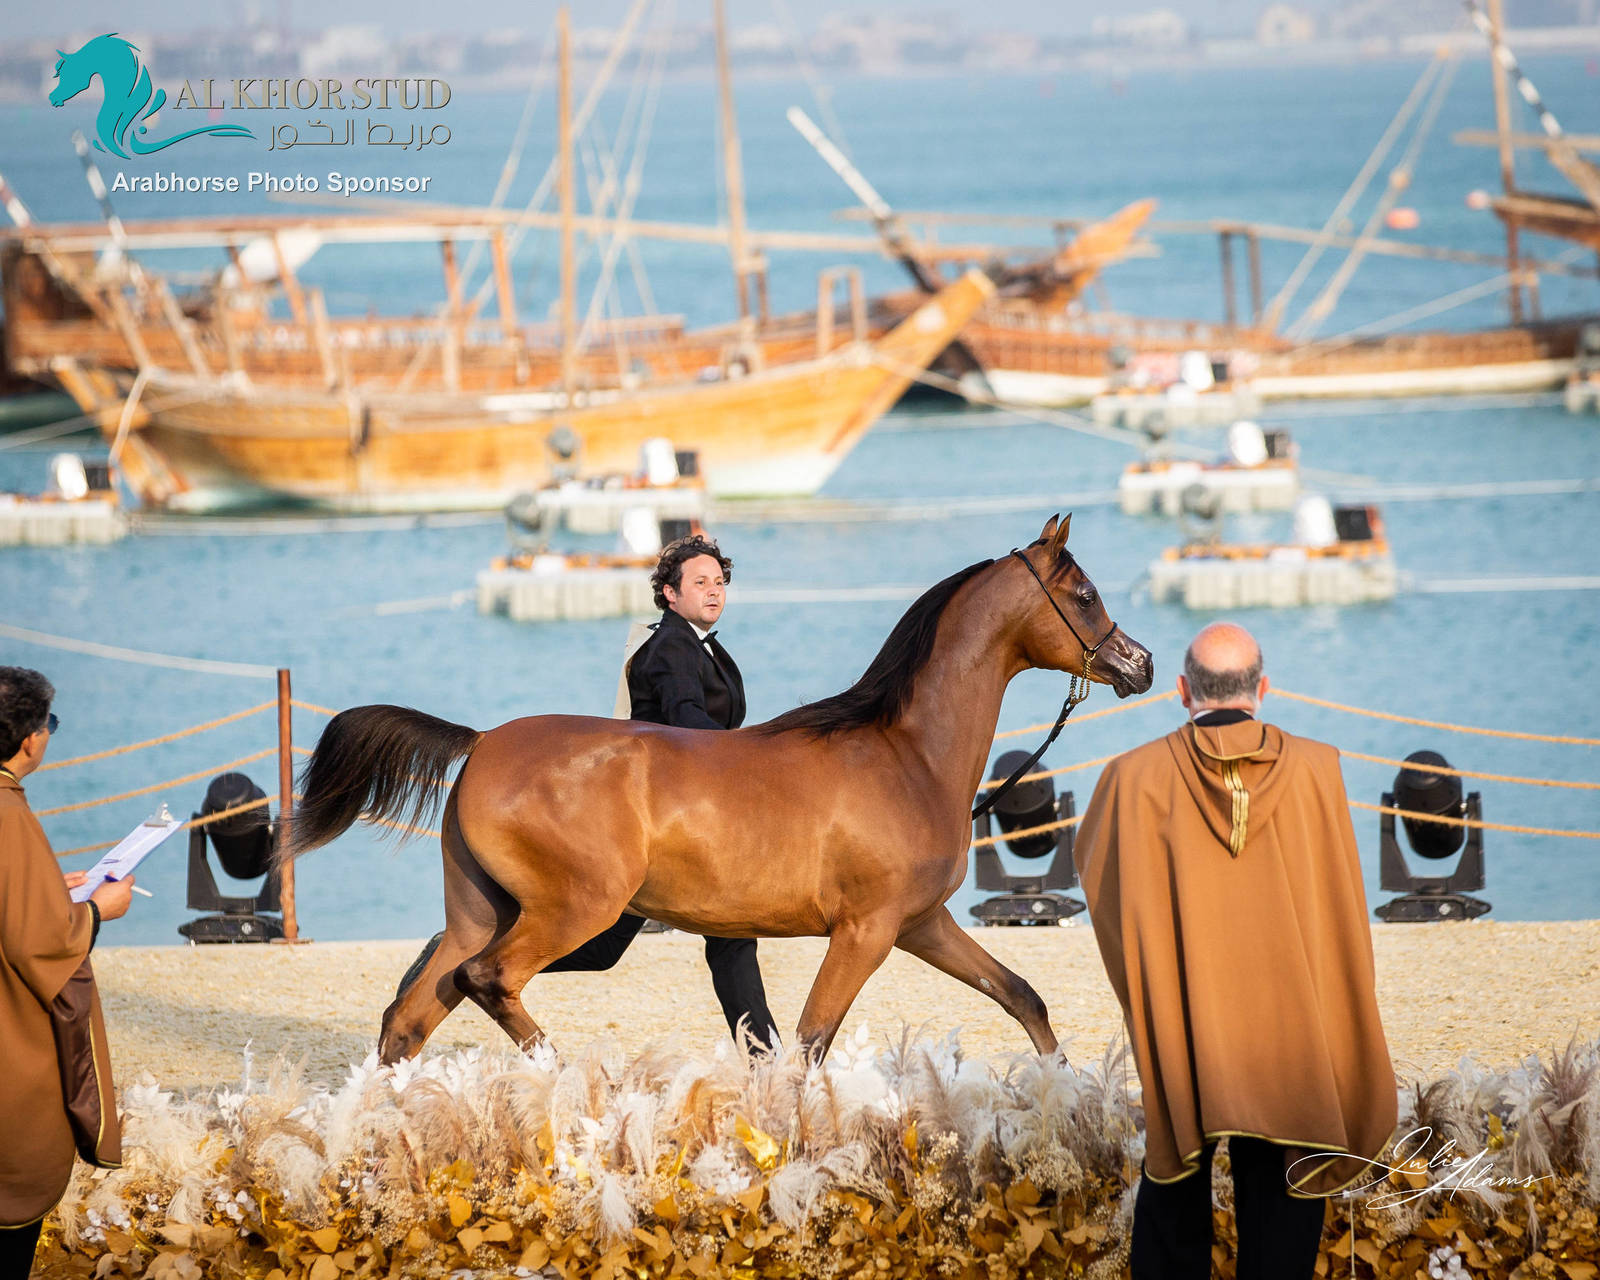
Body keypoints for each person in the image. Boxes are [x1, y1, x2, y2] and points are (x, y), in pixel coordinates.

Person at [1073, 624, 1395, 1280]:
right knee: (1283, 1188)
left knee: (1173, 1179)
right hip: (1290, 1026)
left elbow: (1102, 884)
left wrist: (1159, 971)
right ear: (1264, 689)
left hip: (1188, 1015)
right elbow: (1336, 902)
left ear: (1182, 690)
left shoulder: (1131, 778)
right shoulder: (1317, 769)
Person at [546, 534, 781, 1050]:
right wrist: (758, 758)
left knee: (611, 949)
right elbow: (687, 722)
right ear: (670, 594)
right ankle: (478, 961)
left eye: (720, 583)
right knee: (729, 938)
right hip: (657, 821)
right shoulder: (673, 644)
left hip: (675, 812)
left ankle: (766, 1060)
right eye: (700, 583)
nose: (714, 592)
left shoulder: (696, 643)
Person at [1, 668, 135, 1276]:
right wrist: (94, 912)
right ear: (31, 739)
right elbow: (41, 945)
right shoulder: (6, 812)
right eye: (47, 725)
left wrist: (44, 891)